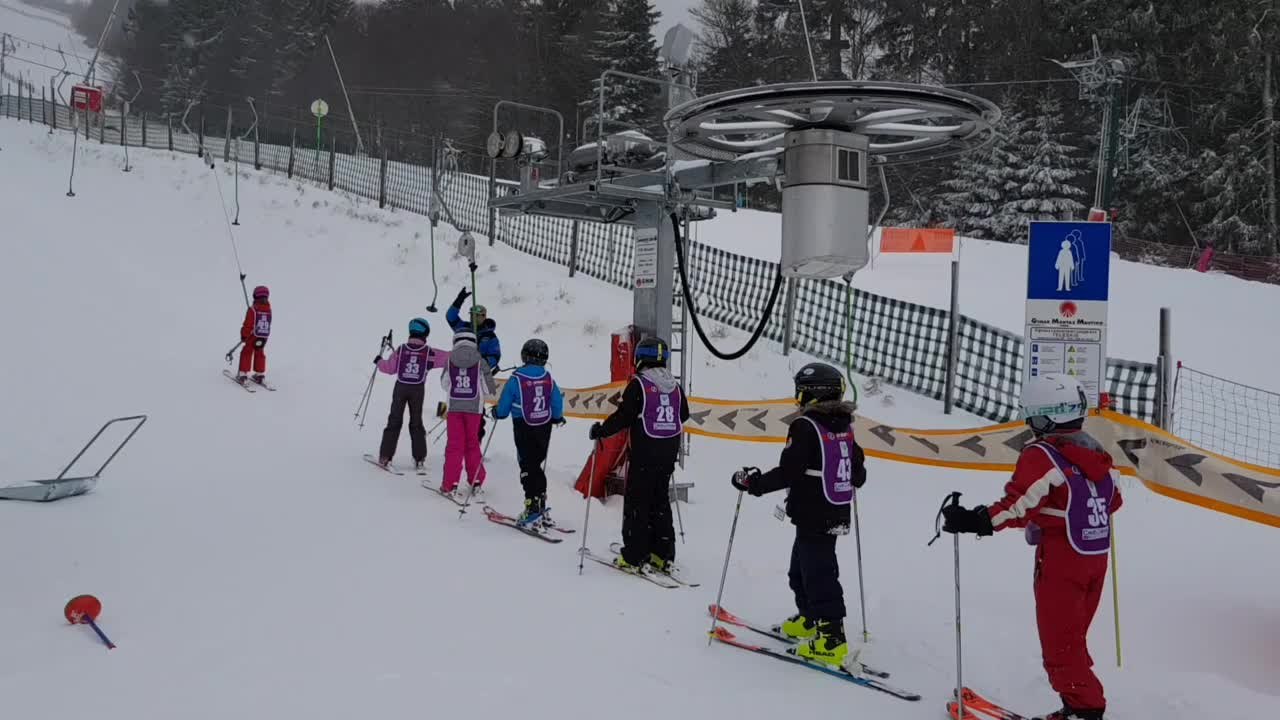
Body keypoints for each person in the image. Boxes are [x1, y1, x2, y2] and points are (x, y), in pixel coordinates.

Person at [941, 374, 1122, 720]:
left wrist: (976, 520)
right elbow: (1113, 500)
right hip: (1095, 557)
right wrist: (1058, 512)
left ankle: (1086, 710)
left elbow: (1018, 504)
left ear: (1043, 417)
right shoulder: (1097, 453)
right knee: (1072, 639)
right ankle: (1077, 705)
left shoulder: (1042, 454)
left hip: (1062, 561)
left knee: (1060, 646)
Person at [729, 362, 867, 674]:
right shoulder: (843, 425)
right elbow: (859, 473)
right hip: (832, 508)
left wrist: (754, 484)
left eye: (800, 392)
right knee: (801, 569)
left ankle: (831, 638)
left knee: (818, 572)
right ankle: (810, 619)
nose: (797, 398)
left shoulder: (806, 425)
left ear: (813, 393)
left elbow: (789, 471)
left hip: (815, 510)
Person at [589, 336, 689, 574]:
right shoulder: (675, 386)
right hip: (668, 451)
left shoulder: (639, 384)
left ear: (640, 358)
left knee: (637, 502)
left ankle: (634, 555)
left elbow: (624, 416)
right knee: (660, 500)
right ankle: (662, 553)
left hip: (646, 451)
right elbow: (683, 414)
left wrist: (601, 430)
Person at [492, 338, 566, 525]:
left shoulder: (516, 378)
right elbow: (557, 401)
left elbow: (504, 406)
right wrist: (557, 416)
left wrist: (497, 412)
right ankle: (540, 501)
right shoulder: (547, 378)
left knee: (527, 465)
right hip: (544, 426)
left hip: (523, 425)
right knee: (536, 464)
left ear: (524, 356)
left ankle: (532, 506)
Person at [375, 318, 449, 472]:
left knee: (394, 420)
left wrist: (379, 361)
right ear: (425, 333)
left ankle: (385, 457)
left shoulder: (401, 349)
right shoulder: (429, 352)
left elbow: (389, 369)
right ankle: (419, 459)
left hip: (400, 388)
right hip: (417, 390)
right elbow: (448, 358)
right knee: (416, 422)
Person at [439, 329, 496, 499]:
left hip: (454, 409)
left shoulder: (450, 359)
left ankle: (450, 484)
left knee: (454, 445)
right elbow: (488, 389)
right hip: (474, 410)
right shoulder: (481, 361)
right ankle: (476, 481)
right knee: (472, 444)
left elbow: (444, 384)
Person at [446, 287, 501, 371]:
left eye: (476, 315)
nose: (473, 317)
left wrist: (480, 363)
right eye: (471, 315)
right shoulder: (464, 328)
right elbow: (450, 317)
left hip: (479, 371)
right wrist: (459, 301)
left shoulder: (490, 336)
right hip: (460, 369)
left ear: (484, 316)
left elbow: (495, 356)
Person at [236, 285, 272, 385]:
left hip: (252, 336)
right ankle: (260, 374)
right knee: (259, 352)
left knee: (247, 352)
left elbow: (248, 324)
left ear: (255, 296)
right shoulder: (269, 310)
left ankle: (243, 375)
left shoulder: (252, 310)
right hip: (263, 336)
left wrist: (244, 335)